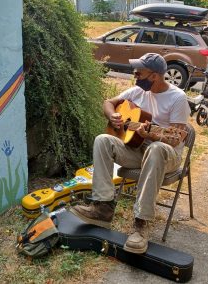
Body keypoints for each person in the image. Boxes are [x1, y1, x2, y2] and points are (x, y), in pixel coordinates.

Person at [70, 53, 191, 254]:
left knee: (156, 148)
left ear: (154, 76)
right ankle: (103, 208)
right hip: (138, 150)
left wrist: (151, 135)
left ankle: (141, 223)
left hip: (167, 155)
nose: (135, 74)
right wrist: (114, 116)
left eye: (139, 71)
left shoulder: (178, 98)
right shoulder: (136, 91)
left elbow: (176, 138)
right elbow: (108, 103)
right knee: (103, 140)